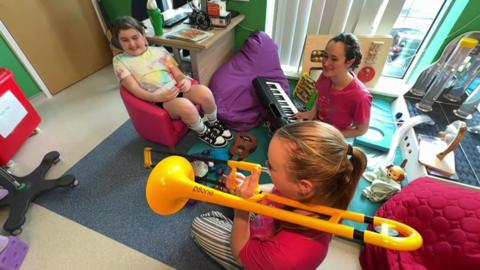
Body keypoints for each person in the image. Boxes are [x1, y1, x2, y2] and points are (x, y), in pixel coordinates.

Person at [191, 121, 367, 269]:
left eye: (272, 166)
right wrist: (253, 190)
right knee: (230, 203)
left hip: (255, 256)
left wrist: (242, 210)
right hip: (266, 228)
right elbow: (275, 189)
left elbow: (239, 254)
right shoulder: (315, 191)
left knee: (201, 222)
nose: (265, 165)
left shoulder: (290, 255)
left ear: (303, 186)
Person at [111, 16, 231, 147]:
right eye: (125, 40)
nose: (132, 44)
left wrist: (183, 80)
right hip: (159, 100)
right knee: (185, 106)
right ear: (118, 42)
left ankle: (213, 121)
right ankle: (203, 132)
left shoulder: (159, 51)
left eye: (135, 37)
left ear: (143, 36)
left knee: (205, 92)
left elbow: (177, 73)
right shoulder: (120, 61)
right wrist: (157, 96)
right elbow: (134, 89)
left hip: (176, 87)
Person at [295, 32, 373, 138]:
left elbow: (361, 130)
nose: (326, 63)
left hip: (334, 137)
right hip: (317, 127)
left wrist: (330, 135)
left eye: (334, 59)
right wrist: (311, 113)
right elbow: (320, 96)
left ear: (349, 62)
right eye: (325, 56)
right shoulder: (325, 76)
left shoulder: (361, 97)